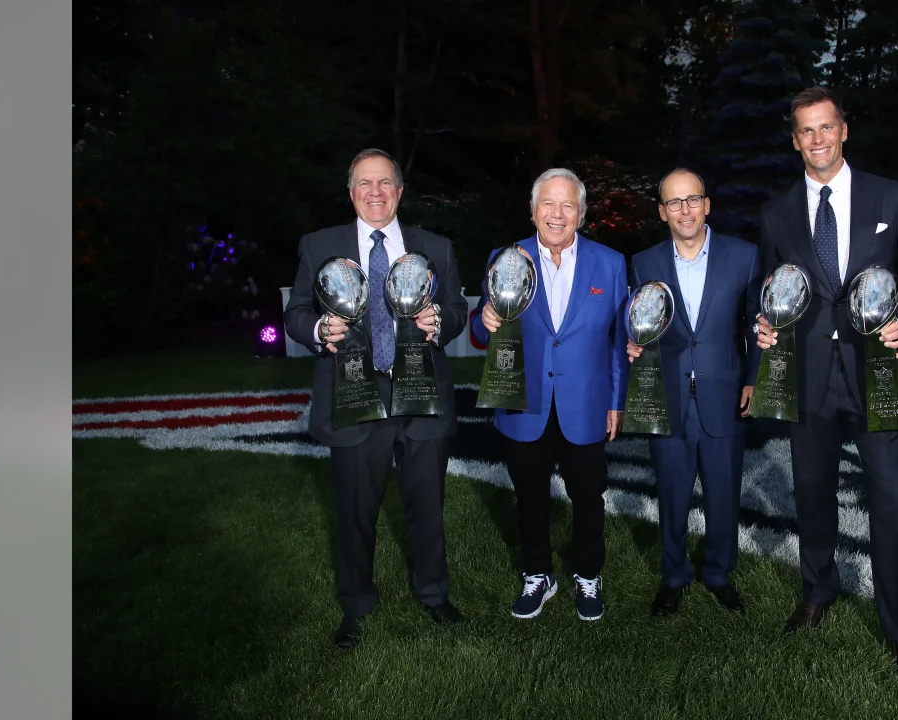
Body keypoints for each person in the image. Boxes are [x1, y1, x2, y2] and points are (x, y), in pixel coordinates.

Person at [755, 87, 898, 684]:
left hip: (875, 376)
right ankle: (818, 590)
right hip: (807, 379)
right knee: (811, 493)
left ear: (844, 130)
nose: (817, 140)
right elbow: (771, 287)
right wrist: (762, 324)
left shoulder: (892, 195)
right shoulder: (776, 212)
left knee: (892, 500)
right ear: (796, 138)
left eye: (826, 128)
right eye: (806, 131)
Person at [284, 148, 468, 649]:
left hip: (421, 390)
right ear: (351, 193)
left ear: (400, 190)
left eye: (385, 182)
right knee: (355, 509)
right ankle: (356, 604)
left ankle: (434, 595)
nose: (375, 192)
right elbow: (295, 312)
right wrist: (320, 327)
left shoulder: (437, 247)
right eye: (365, 183)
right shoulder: (320, 245)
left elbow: (457, 310)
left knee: (428, 503)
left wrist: (440, 324)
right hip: (354, 393)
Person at [471, 168, 629, 622]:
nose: (556, 214)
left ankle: (588, 576)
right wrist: (484, 321)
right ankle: (537, 573)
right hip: (525, 401)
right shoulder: (506, 259)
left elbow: (620, 340)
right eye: (548, 204)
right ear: (533, 210)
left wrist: (616, 401)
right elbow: (484, 337)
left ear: (580, 213)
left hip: (586, 404)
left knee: (588, 496)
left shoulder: (611, 262)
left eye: (567, 205)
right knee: (529, 498)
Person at [625, 168, 762, 617]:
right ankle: (675, 574)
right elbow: (639, 322)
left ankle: (719, 574)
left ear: (707, 205)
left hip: (724, 394)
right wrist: (631, 341)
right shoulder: (644, 262)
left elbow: (760, 325)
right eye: (674, 202)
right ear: (662, 212)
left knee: (724, 494)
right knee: (672, 494)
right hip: (668, 398)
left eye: (692, 200)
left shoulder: (743, 257)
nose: (684, 209)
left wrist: (754, 378)